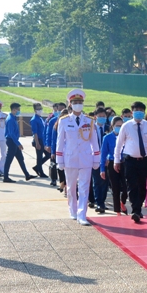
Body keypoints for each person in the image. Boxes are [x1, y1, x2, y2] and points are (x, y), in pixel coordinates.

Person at [56, 89, 100, 225]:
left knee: (84, 187)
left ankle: (82, 214)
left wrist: (96, 158)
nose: (78, 104)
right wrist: (60, 160)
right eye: (75, 102)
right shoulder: (64, 121)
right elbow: (60, 142)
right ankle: (73, 211)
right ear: (70, 104)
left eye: (80, 102)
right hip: (70, 159)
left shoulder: (89, 121)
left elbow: (94, 141)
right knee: (71, 187)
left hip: (86, 159)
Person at [114, 101, 147, 223]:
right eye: (136, 110)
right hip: (130, 160)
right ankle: (135, 210)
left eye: (141, 110)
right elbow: (118, 145)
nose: (138, 112)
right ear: (132, 112)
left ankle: (138, 207)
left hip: (144, 160)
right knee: (132, 185)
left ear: (144, 112)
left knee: (142, 186)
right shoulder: (126, 126)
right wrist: (116, 160)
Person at [2, 103, 37, 183]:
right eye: (18, 109)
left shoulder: (13, 118)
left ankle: (27, 175)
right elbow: (11, 133)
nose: (19, 111)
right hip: (12, 141)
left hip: (14, 141)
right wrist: (18, 143)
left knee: (20, 159)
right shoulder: (10, 119)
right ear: (14, 110)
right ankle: (5, 177)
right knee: (9, 160)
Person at [101, 116, 128, 215]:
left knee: (126, 188)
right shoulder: (107, 138)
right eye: (117, 126)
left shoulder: (127, 137)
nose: (119, 128)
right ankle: (117, 211)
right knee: (115, 188)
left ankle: (122, 202)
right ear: (112, 126)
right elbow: (103, 154)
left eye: (121, 126)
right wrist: (102, 169)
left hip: (124, 163)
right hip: (112, 164)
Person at [90, 107, 109, 213]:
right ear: (95, 117)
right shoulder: (91, 128)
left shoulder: (108, 128)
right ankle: (99, 203)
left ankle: (102, 201)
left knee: (105, 181)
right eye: (100, 116)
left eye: (104, 116)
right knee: (97, 181)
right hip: (95, 158)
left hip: (106, 159)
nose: (102, 118)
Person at [44, 103, 64, 187]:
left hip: (63, 147)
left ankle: (63, 182)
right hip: (54, 145)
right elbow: (48, 134)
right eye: (59, 110)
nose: (60, 112)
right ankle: (53, 179)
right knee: (53, 163)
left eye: (62, 110)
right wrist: (48, 145)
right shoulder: (53, 120)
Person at [30, 102, 50, 178]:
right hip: (38, 140)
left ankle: (37, 167)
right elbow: (35, 133)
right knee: (39, 156)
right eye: (38, 109)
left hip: (43, 140)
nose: (40, 110)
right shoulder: (34, 119)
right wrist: (37, 143)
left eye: (40, 108)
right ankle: (40, 172)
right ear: (35, 110)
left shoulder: (40, 118)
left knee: (48, 155)